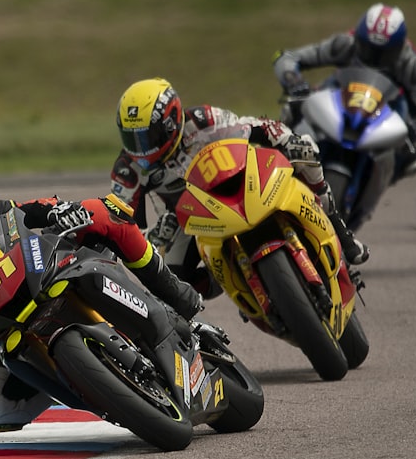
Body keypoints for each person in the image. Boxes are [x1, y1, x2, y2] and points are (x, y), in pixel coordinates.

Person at [0, 196, 202, 433]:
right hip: (3, 328)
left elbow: (22, 211)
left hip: (39, 275)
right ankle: (96, 388)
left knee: (105, 211)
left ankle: (171, 293)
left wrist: (56, 210)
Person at [109, 77, 369, 301]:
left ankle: (341, 234)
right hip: (189, 214)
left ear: (171, 122)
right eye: (131, 138)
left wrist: (286, 139)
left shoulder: (202, 120)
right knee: (169, 277)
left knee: (305, 153)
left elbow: (251, 127)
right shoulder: (127, 171)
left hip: (238, 181)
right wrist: (153, 241)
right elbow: (125, 229)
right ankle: (222, 281)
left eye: (147, 137)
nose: (140, 149)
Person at [272, 3, 416, 183]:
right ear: (358, 39)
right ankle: (278, 166)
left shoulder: (411, 65)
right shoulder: (345, 44)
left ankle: (371, 192)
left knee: (411, 157)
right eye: (368, 50)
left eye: (383, 54)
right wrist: (293, 81)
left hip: (384, 114)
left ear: (399, 48)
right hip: (340, 99)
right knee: (293, 108)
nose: (374, 59)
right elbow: (287, 57)